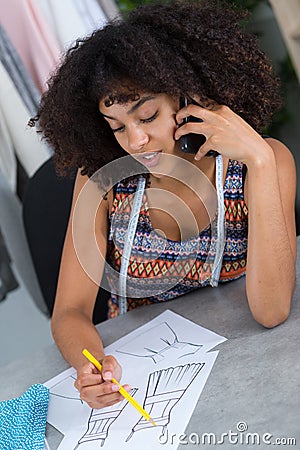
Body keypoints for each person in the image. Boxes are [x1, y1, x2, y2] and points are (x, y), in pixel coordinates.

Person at [32, 0, 297, 409]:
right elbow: (68, 312)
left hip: (248, 374)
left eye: (148, 115)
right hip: (144, 386)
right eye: (118, 127)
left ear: (187, 96)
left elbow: (272, 310)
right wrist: (92, 365)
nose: (135, 141)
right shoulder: (102, 180)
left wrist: (259, 160)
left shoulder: (264, 163)